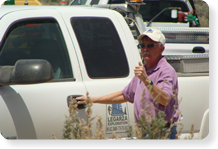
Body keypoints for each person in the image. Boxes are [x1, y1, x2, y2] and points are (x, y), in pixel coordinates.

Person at [77, 29, 179, 140]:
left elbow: (164, 99)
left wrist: (146, 80)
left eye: (150, 45)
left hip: (162, 133)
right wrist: (93, 100)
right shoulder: (144, 70)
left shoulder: (166, 71)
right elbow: (125, 95)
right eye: (142, 45)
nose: (145, 49)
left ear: (161, 49)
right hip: (145, 132)